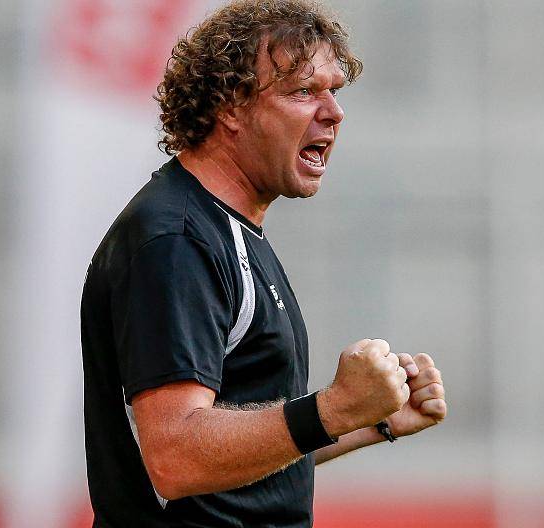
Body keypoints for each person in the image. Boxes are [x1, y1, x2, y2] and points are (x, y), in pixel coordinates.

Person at [79, 1, 447, 526]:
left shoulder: (226, 230)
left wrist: (370, 420)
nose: (334, 112)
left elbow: (242, 461)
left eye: (334, 91)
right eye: (303, 91)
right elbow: (176, 458)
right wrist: (334, 406)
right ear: (231, 106)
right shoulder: (177, 242)